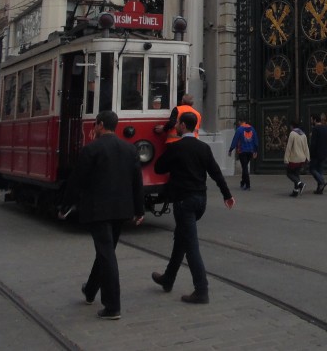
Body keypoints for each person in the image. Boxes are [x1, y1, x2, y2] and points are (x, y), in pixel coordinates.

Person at [62, 110, 144, 320]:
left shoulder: (91, 149)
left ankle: (112, 306)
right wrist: (139, 209)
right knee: (105, 251)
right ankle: (90, 290)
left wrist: (65, 205)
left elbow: (76, 180)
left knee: (107, 254)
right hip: (121, 209)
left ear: (99, 125)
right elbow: (137, 182)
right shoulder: (129, 149)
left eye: (95, 125)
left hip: (98, 209)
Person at [151, 111, 233, 304]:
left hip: (184, 201)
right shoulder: (203, 148)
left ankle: (201, 289)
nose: (177, 126)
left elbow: (159, 168)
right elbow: (216, 173)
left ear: (182, 126)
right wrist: (227, 195)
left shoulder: (176, 147)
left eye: (178, 123)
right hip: (200, 201)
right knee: (182, 238)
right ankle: (168, 278)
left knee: (191, 245)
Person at [227, 117, 258, 191]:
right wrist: (255, 151)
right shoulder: (252, 129)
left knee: (244, 168)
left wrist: (231, 149)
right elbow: (255, 140)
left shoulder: (239, 129)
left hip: (242, 151)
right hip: (250, 151)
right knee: (245, 166)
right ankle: (243, 182)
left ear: (240, 122)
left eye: (238, 122)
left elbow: (235, 140)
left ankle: (247, 184)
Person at [283, 119, 310, 196]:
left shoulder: (292, 134)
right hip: (302, 158)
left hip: (294, 158)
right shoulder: (303, 134)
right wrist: (308, 157)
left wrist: (286, 159)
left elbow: (289, 147)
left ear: (292, 126)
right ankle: (295, 191)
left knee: (289, 173)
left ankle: (300, 184)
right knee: (296, 173)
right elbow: (306, 147)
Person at [309, 113, 327, 194]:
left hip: (316, 153)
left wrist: (310, 153)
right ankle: (319, 189)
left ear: (314, 120)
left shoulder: (315, 129)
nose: (311, 121)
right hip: (324, 152)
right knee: (320, 170)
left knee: (312, 169)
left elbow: (313, 143)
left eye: (311, 120)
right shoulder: (325, 128)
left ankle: (322, 181)